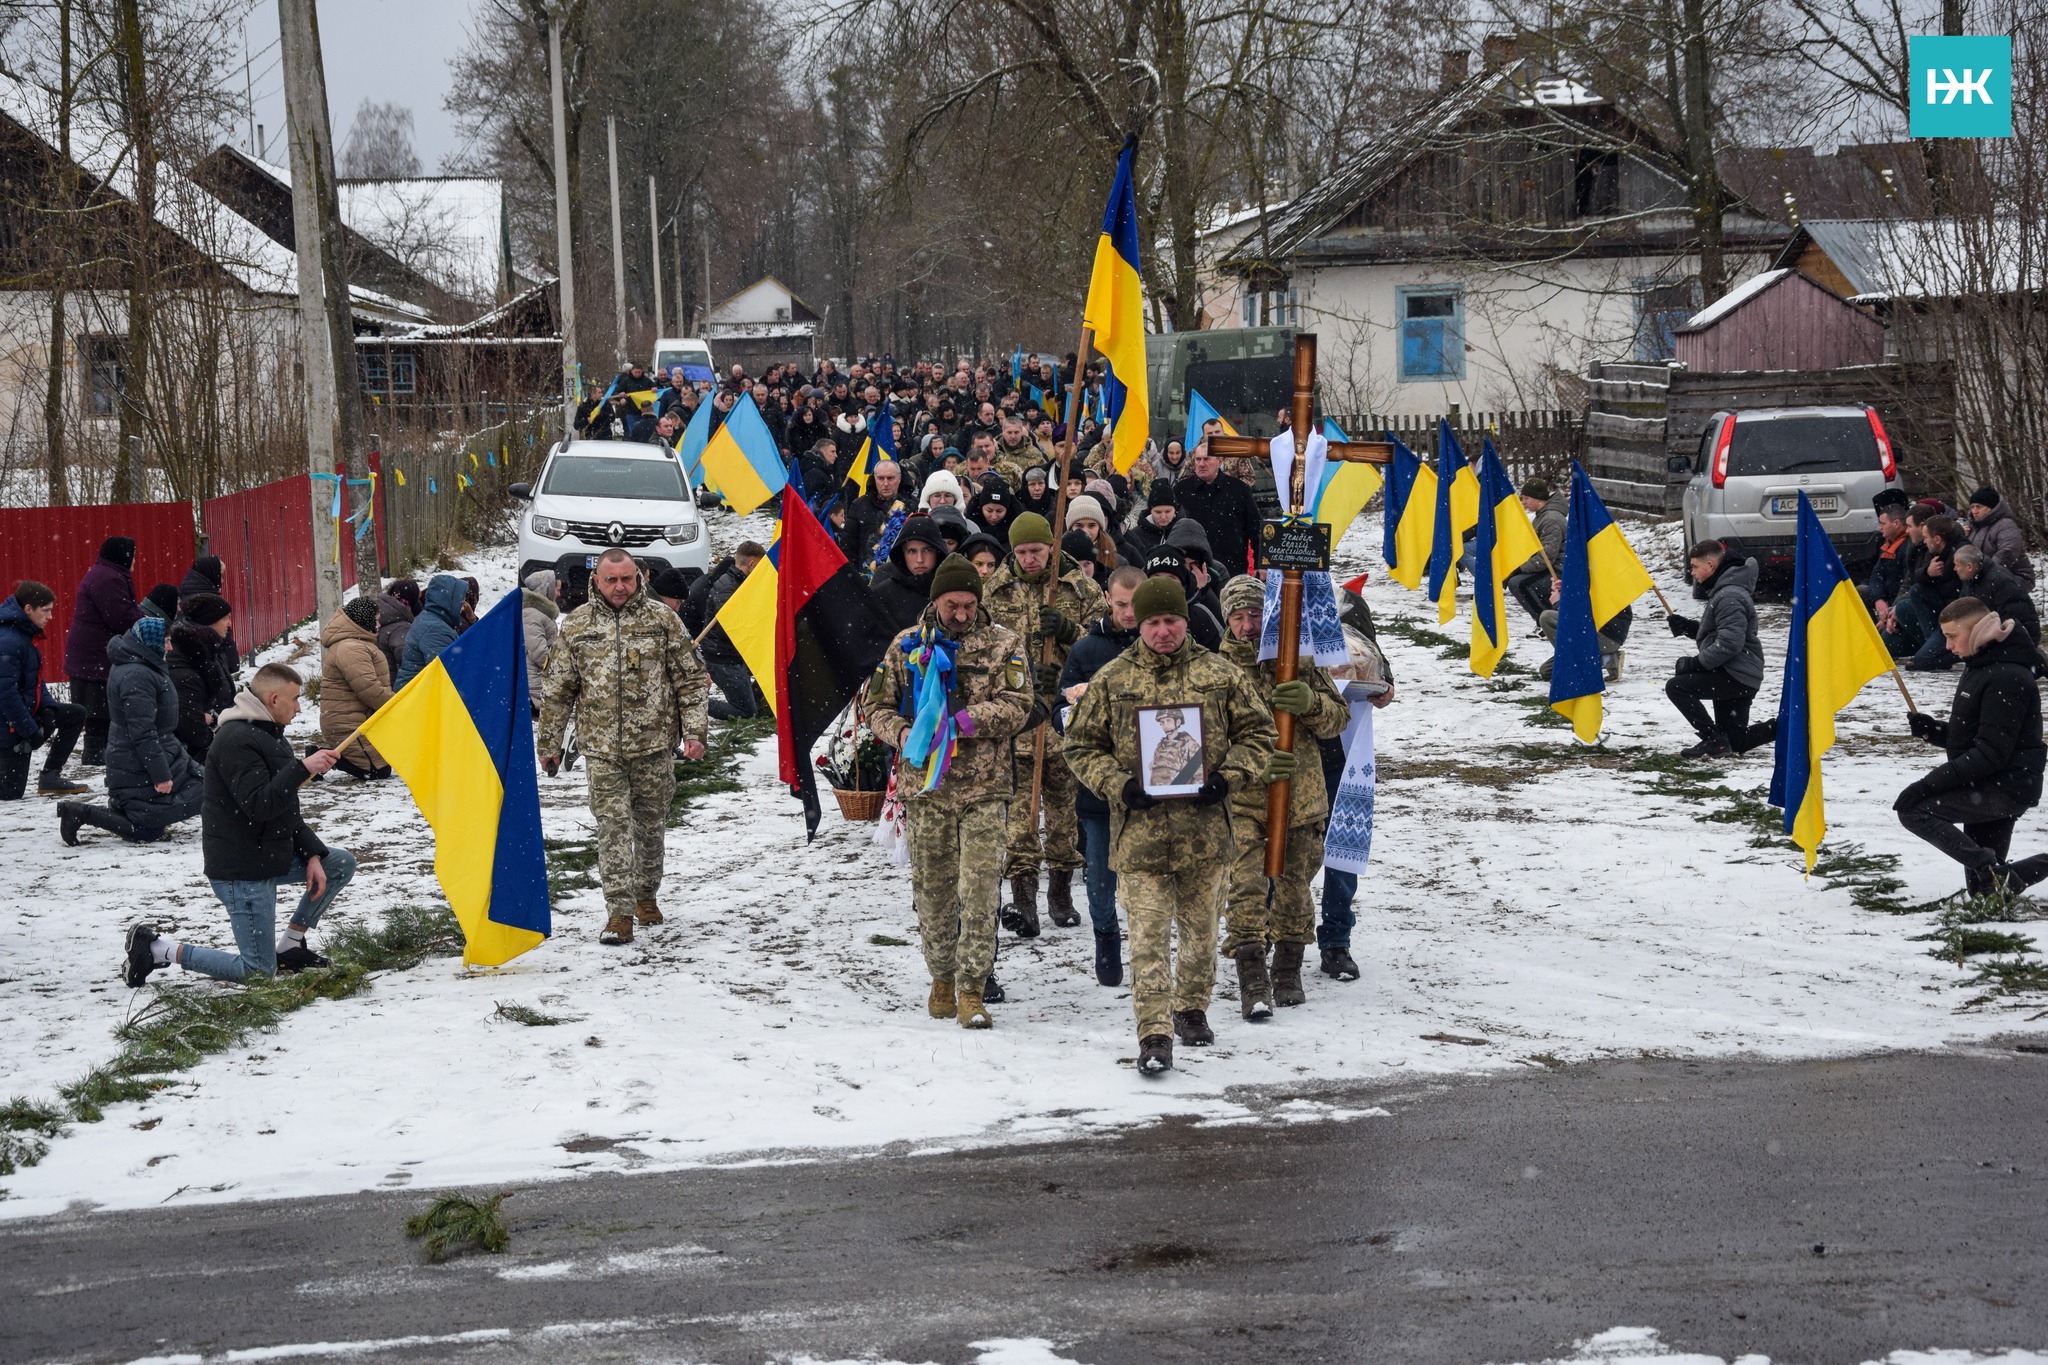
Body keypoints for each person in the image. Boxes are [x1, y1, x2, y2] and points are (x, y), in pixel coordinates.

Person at [1064, 575, 1277, 1074]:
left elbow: (1260, 732)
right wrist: (1119, 784)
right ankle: (1154, 1033)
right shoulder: (1113, 679)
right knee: (1149, 938)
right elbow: (1079, 745)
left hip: (1204, 835)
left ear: (1186, 621)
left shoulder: (1220, 674)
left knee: (1201, 937)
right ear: (1139, 622)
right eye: (1153, 622)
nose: (1163, 631)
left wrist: (1229, 778)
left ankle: (1191, 1008)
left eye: (1171, 621)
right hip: (1140, 840)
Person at [863, 553, 1034, 1030]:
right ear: (935, 599)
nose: (961, 613)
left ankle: (972, 988)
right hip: (926, 791)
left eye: (968, 604)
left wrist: (964, 721)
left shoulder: (1004, 644)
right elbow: (874, 705)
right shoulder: (907, 646)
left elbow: (1020, 704)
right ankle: (941, 975)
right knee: (934, 892)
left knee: (979, 892)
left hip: (984, 789)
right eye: (952, 604)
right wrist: (904, 733)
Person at [122, 663, 353, 986]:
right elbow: (260, 805)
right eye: (296, 699)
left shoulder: (268, 734)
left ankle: (290, 946)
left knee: (339, 863)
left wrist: (312, 855)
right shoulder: (236, 740)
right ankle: (159, 949)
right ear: (274, 699)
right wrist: (301, 768)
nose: (300, 707)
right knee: (257, 972)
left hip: (267, 857)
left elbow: (283, 808)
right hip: (242, 870)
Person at [537, 549, 710, 945]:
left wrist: (695, 733)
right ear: (596, 580)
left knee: (650, 827)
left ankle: (647, 893)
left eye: (627, 579)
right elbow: (558, 690)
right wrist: (548, 743)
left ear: (639, 578)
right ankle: (618, 913)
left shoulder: (662, 621)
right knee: (612, 828)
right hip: (601, 749)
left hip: (653, 747)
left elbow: (690, 680)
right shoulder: (577, 625)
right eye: (611, 580)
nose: (620, 587)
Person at [1215, 576, 1352, 1017]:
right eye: (1237, 617)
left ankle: (1288, 970)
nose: (1247, 625)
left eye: (1255, 614)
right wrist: (1251, 764)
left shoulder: (1298, 659)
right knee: (1247, 889)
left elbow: (1337, 721)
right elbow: (1204, 740)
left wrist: (1310, 702)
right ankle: (1252, 977)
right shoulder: (1214, 671)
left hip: (1302, 796)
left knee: (1295, 890)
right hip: (1243, 801)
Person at [983, 513, 1106, 935]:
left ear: (1050, 549)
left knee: (1063, 811)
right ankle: (1022, 899)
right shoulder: (994, 591)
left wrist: (1070, 631)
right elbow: (983, 648)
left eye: (1036, 551)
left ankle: (1060, 891)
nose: (1030, 559)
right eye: (1021, 552)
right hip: (1018, 722)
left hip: (1065, 720)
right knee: (1019, 814)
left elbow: (1105, 642)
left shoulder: (1079, 587)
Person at [1897, 597, 2046, 897]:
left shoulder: (2006, 675)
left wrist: (1926, 786)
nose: (1948, 646)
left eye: (1952, 637)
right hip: (1987, 781)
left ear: (1977, 629)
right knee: (1986, 892)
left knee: (1913, 810)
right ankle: (1998, 874)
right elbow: (1979, 737)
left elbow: (1990, 753)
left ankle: (1993, 868)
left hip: (2006, 786)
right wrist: (1934, 731)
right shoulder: (1980, 664)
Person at [1055, 565, 1143, 986]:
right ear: (1108, 599)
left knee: (1148, 873)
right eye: (1121, 604)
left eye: (1135, 604)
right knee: (1099, 871)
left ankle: (1147, 940)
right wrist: (1077, 711)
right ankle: (1105, 937)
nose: (1129, 613)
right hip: (1099, 785)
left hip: (1153, 782)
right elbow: (1061, 709)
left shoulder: (1163, 641)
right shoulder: (1087, 650)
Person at [59, 617, 204, 844]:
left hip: (147, 756)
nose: (170, 647)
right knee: (148, 831)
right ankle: (81, 813)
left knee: (207, 785)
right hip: (137, 762)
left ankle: (125, 806)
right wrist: (161, 775)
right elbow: (143, 732)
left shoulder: (142, 666)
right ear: (151, 642)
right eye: (166, 641)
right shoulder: (138, 674)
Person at [1315, 587, 1397, 981]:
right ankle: (1267, 932)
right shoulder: (1280, 601)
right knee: (1280, 847)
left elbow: (1373, 656)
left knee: (1342, 849)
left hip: (1343, 755)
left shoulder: (1348, 602)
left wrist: (1385, 686)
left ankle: (1336, 940)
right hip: (1292, 753)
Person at [1664, 541, 1765, 759]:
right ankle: (1790, 727)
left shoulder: (1729, 595)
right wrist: (1690, 628)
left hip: (1736, 675)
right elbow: (1725, 633)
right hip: (1736, 673)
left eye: (1694, 567)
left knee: (1677, 687)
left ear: (1710, 564)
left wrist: (1695, 664)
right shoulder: (1728, 590)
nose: (1691, 572)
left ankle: (1712, 740)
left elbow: (1729, 644)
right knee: (1736, 741)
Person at [0, 581, 86, 799]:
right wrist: (30, 731)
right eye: (46, 610)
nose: (50, 617)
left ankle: (50, 776)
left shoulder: (23, 634)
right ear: (28, 609)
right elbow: (5, 694)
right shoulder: (9, 640)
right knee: (10, 793)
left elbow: (36, 680)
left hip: (21, 717)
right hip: (7, 727)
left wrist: (47, 708)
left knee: (75, 714)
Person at [63, 535, 143, 765]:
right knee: (100, 708)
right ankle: (96, 755)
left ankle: (98, 752)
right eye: (133, 555)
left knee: (98, 708)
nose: (135, 560)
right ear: (123, 556)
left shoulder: (106, 574)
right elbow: (121, 616)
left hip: (92, 654)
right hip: (95, 656)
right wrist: (147, 621)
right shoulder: (108, 578)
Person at [318, 598, 394, 780]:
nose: (379, 624)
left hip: (355, 719)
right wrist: (397, 703)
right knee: (377, 771)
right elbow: (369, 689)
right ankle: (323, 757)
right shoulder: (350, 648)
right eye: (375, 619)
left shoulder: (356, 644)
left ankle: (327, 756)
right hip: (347, 723)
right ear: (364, 620)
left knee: (382, 767)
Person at [697, 543, 768, 720]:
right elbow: (731, 627)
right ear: (751, 564)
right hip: (723, 659)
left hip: (734, 654)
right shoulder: (728, 588)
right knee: (746, 713)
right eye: (760, 566)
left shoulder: (739, 583)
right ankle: (697, 703)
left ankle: (749, 698)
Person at [1175, 443, 1260, 581]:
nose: (1201, 464)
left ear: (1220, 461)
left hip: (1233, 567)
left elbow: (1256, 529)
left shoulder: (1239, 489)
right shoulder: (1181, 490)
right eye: (1198, 459)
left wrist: (1260, 562)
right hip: (1192, 569)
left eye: (1207, 459)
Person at [167, 594, 235, 764]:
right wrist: (212, 737)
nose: (229, 624)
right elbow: (189, 720)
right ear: (209, 621)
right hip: (197, 754)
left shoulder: (209, 648)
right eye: (225, 618)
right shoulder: (192, 654)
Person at [1901, 516, 1970, 670]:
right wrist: (1928, 572)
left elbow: (1964, 593)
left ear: (1937, 539)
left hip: (1959, 616)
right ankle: (1935, 646)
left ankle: (1954, 651)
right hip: (1944, 612)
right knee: (1917, 591)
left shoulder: (1960, 554)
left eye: (1926, 537)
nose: (1924, 541)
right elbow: (1916, 577)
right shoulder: (1937, 552)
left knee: (1922, 662)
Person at [870, 516, 948, 630]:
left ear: (938, 552)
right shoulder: (883, 594)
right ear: (902, 554)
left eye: (927, 550)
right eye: (912, 551)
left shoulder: (953, 589)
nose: (920, 559)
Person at [1505, 478, 1564, 623]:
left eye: (1527, 498)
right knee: (1516, 581)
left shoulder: (1551, 519)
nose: (1523, 502)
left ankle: (1546, 621)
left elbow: (1547, 557)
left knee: (1519, 583)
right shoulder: (1542, 516)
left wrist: (1519, 569)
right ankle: (1547, 618)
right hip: (1549, 567)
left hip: (1558, 570)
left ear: (1539, 499)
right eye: (1522, 498)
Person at [393, 574, 469, 688]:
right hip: (420, 698)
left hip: (417, 693)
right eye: (460, 602)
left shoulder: (430, 619)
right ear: (449, 601)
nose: (463, 608)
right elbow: (448, 673)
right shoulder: (435, 629)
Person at [178, 556, 241, 675]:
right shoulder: (204, 600)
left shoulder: (189, 594)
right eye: (220, 575)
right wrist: (229, 662)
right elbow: (216, 637)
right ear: (212, 574)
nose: (222, 581)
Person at [1966, 486, 2034, 592]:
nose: (1974, 511)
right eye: (1972, 507)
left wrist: (1983, 573)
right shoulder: (1971, 526)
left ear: (1991, 508)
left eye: (1979, 507)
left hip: (2013, 577)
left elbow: (2007, 552)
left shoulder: (2005, 525)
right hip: (1982, 578)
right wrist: (1960, 534)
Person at [842, 461, 908, 565]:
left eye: (890, 478)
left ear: (899, 479)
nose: (885, 483)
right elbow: (848, 546)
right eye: (881, 478)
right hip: (867, 574)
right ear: (874, 479)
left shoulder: (911, 505)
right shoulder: (858, 506)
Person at [522, 570, 561, 707]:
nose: (558, 593)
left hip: (539, 681)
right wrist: (560, 666)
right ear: (546, 590)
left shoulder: (540, 613)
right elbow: (538, 652)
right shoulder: (531, 614)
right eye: (557, 589)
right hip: (534, 685)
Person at [1121, 483, 1179, 568]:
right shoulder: (1136, 535)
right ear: (1150, 511)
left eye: (1167, 512)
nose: (1163, 517)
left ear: (1175, 510)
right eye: (1158, 512)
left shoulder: (1182, 531)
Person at [375, 579, 421, 679]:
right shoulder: (401, 627)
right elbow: (408, 661)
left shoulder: (380, 612)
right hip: (393, 684)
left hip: (378, 679)